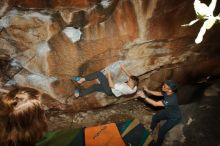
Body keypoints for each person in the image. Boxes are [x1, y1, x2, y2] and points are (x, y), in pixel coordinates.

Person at [137, 80, 182, 146]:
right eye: (163, 85)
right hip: (168, 111)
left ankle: (158, 144)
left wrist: (144, 96)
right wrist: (147, 90)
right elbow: (159, 93)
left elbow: (155, 104)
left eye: (165, 86)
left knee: (161, 131)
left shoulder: (171, 99)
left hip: (174, 117)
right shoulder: (168, 92)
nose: (162, 87)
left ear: (170, 90)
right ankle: (151, 129)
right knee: (155, 117)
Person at [72, 64, 139, 98]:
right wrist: (123, 68)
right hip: (112, 93)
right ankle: (78, 94)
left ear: (131, 83)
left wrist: (109, 74)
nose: (128, 80)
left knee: (99, 74)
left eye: (129, 80)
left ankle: (81, 80)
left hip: (110, 89)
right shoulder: (134, 87)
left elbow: (111, 85)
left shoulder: (123, 87)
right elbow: (131, 76)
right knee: (95, 87)